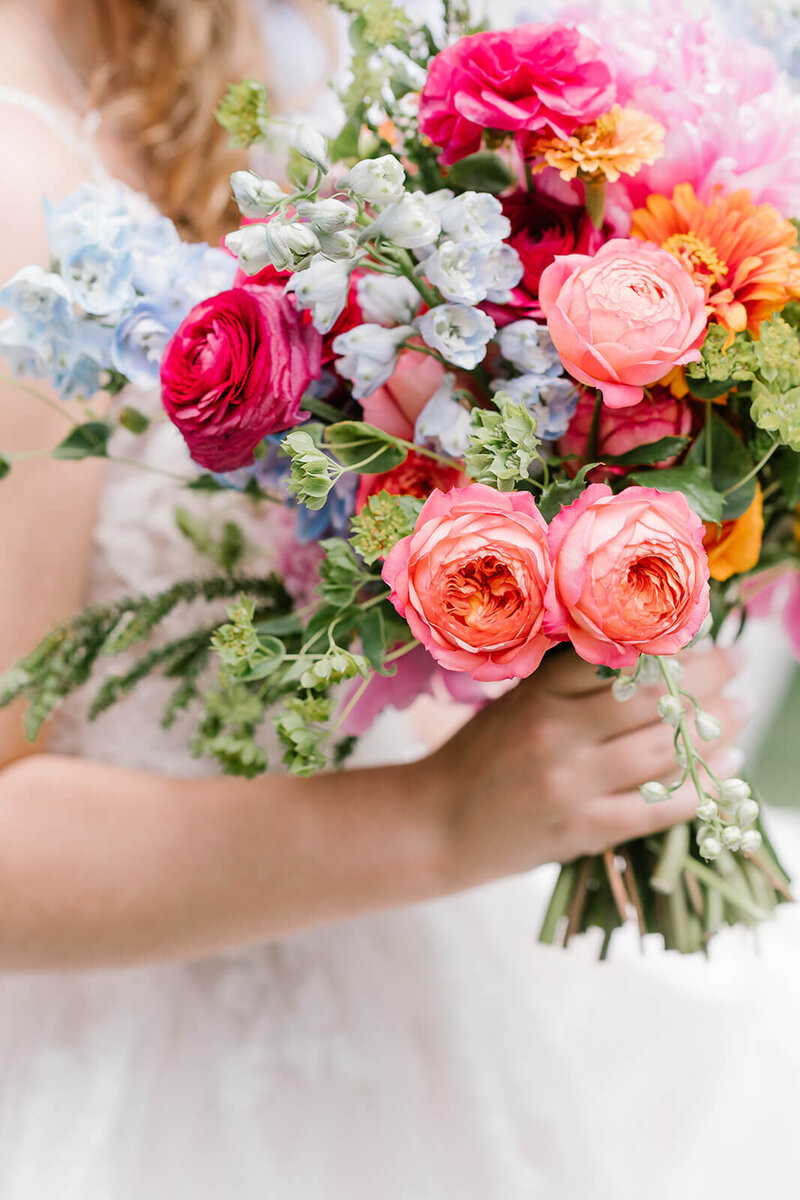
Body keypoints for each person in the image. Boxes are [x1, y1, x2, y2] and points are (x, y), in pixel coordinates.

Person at [0, 1, 790, 1197]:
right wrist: (441, 819)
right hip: (127, 1053)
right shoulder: (18, 179)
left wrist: (545, 652)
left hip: (376, 990)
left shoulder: (270, 53)